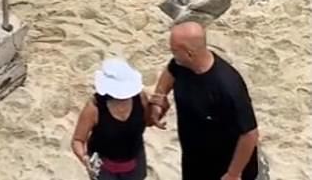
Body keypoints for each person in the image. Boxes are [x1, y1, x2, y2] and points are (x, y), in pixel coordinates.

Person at [150, 22, 259, 180]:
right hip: (194, 160)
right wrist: (159, 98)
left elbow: (250, 134)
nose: (171, 53)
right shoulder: (181, 64)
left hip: (225, 167)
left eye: (174, 50)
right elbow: (170, 71)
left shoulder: (227, 86)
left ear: (189, 53)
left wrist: (233, 174)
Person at [72, 58, 150, 180]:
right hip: (105, 168)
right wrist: (84, 158)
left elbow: (147, 121)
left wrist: (157, 110)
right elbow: (78, 140)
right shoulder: (94, 108)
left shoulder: (141, 98)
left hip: (135, 163)